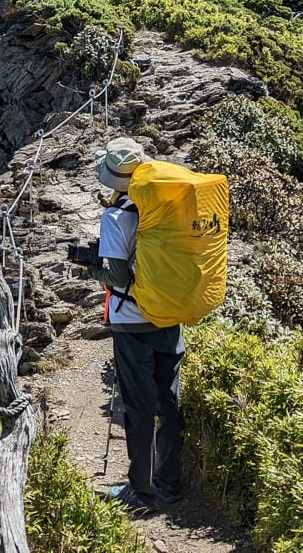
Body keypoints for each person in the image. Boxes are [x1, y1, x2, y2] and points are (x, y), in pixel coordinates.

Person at [94, 137, 186, 512]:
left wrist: (90, 265)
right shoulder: (167, 207)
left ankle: (142, 492)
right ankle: (170, 483)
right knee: (169, 402)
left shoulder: (116, 217)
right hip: (170, 315)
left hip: (133, 322)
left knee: (139, 408)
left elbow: (115, 278)